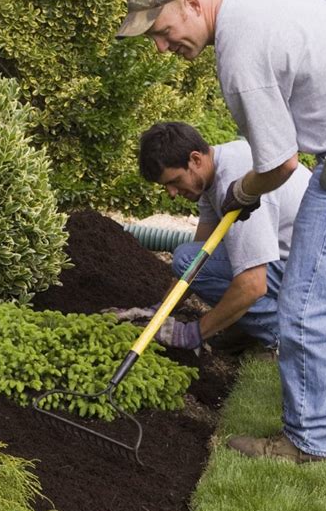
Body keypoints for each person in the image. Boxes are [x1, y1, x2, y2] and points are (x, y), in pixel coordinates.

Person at [116, 0, 326, 464]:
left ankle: (308, 440)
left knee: (305, 306)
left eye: (163, 31)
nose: (161, 47)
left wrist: (239, 192)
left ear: (193, 3)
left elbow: (278, 165)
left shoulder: (238, 54)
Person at [115, 121, 310, 356]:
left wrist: (192, 333)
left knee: (189, 260)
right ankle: (249, 326)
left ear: (195, 159)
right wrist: (159, 313)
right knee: (190, 258)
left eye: (174, 181)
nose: (172, 193)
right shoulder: (212, 175)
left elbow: (253, 285)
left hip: (308, 273)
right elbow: (198, 262)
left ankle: (289, 336)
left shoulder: (237, 183)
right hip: (290, 261)